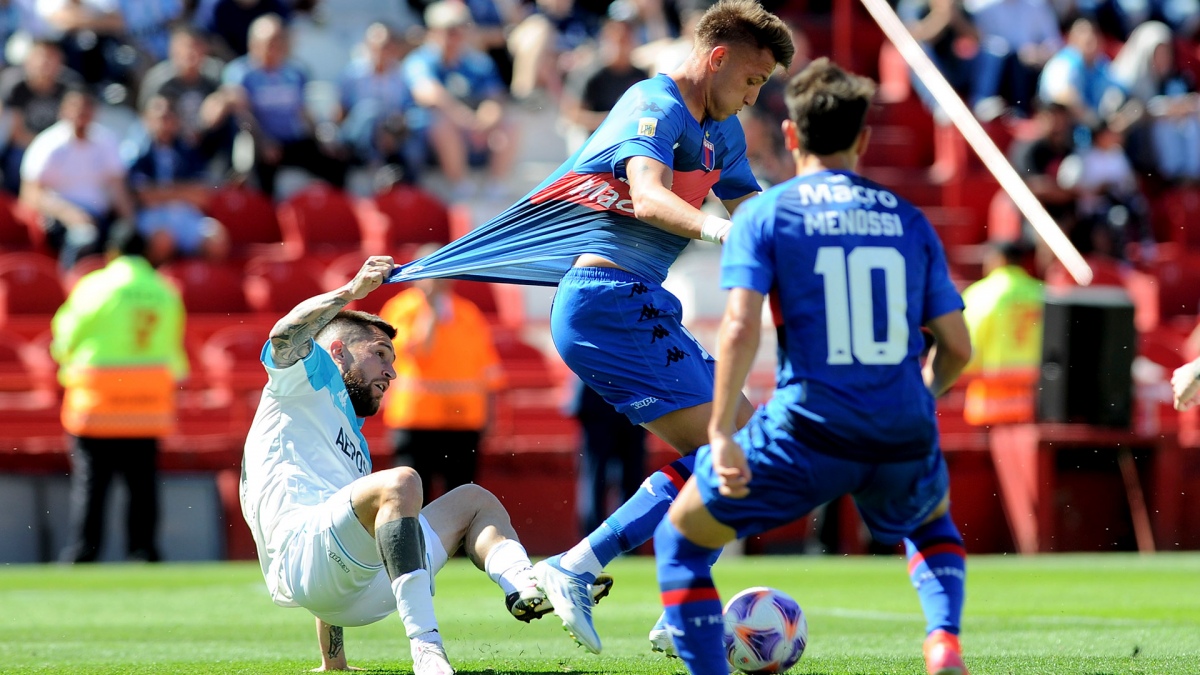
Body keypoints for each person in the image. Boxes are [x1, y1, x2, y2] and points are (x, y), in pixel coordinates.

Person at [387, 0, 794, 654]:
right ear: (717, 58)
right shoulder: (654, 104)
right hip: (605, 300)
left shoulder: (726, 133)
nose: (752, 97)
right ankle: (621, 577)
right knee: (736, 443)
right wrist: (723, 230)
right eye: (749, 80)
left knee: (732, 449)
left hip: (638, 302)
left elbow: (759, 209)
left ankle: (624, 580)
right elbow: (648, 195)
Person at [652, 58, 973, 675]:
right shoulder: (908, 220)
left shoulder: (767, 215)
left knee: (681, 539)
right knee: (930, 526)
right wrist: (921, 399)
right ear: (863, 139)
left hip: (810, 427)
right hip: (900, 421)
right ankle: (942, 645)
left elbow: (742, 328)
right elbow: (957, 345)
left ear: (793, 136)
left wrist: (722, 432)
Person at [239, 256, 612, 675]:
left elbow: (342, 538)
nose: (391, 371)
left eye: (392, 360)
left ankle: (527, 585)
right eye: (380, 354)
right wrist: (350, 292)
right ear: (338, 351)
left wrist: (334, 663)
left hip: (356, 592)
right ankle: (427, 649)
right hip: (305, 564)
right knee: (401, 482)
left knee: (474, 499)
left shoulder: (351, 433)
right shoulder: (303, 377)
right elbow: (284, 334)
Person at [53, 225, 189, 563]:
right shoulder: (165, 290)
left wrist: (64, 359)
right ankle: (143, 550)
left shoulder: (94, 286)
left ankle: (85, 552)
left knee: (92, 482)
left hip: (97, 400)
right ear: (147, 253)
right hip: (148, 401)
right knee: (142, 482)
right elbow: (174, 348)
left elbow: (66, 336)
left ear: (112, 252)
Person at [378, 245, 505, 505]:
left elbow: (488, 372)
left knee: (459, 501)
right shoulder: (401, 310)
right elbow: (416, 349)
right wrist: (431, 307)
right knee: (412, 499)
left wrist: (490, 415)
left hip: (463, 421)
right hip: (416, 420)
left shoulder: (468, 313)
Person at [221, 13, 347, 198]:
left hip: (291, 141)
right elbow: (243, 116)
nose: (275, 47)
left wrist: (322, 139)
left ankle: (334, 216)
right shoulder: (240, 73)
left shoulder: (295, 71)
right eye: (270, 42)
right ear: (254, 43)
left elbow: (304, 110)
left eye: (280, 40)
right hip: (258, 141)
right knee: (260, 173)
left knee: (336, 162)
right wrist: (263, 142)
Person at [19, 87, 138, 270]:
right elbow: (29, 193)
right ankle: (69, 284)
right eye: (75, 107)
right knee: (83, 237)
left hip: (100, 218)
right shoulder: (48, 144)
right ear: (64, 110)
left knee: (128, 240)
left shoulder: (106, 141)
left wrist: (130, 224)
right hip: (58, 220)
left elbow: (118, 187)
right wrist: (69, 214)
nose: (80, 113)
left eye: (86, 107)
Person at [126, 95, 229, 264]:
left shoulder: (189, 150)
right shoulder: (138, 151)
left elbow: (203, 195)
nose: (165, 123)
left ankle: (200, 285)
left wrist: (162, 191)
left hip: (185, 213)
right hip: (153, 216)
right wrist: (183, 191)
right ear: (147, 120)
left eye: (169, 117)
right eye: (160, 118)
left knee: (217, 240)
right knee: (163, 240)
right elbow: (144, 195)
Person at [959, 240, 1043, 425]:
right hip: (1034, 393)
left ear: (998, 259)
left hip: (992, 395)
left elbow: (967, 341)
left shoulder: (980, 294)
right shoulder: (1042, 293)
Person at [567, 377, 648, 536]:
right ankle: (601, 539)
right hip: (624, 404)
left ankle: (618, 540)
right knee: (598, 481)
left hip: (615, 406)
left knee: (626, 480)